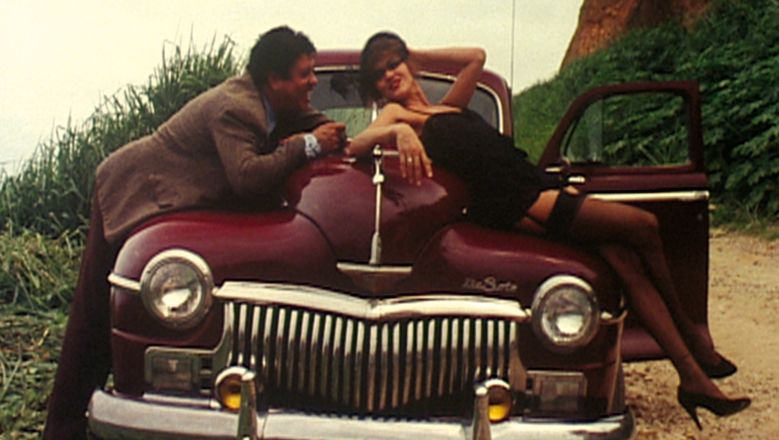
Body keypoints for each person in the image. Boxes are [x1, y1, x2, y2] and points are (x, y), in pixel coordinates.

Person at [346, 31, 749, 430]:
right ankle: (693, 338)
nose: (390, 75)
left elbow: (476, 57)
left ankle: (691, 377)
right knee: (644, 225)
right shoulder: (398, 115)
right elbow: (355, 146)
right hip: (518, 202)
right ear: (375, 87)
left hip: (533, 186)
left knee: (623, 259)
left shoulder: (448, 106)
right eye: (379, 74)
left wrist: (414, 53)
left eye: (394, 63)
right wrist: (396, 131)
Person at [44, 26, 345, 439]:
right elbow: (247, 178)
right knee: (95, 312)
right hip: (137, 190)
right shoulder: (237, 108)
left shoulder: (277, 102)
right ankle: (64, 426)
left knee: (102, 312)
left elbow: (328, 130)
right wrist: (306, 145)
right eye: (304, 74)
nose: (313, 82)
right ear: (274, 79)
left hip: (169, 196)